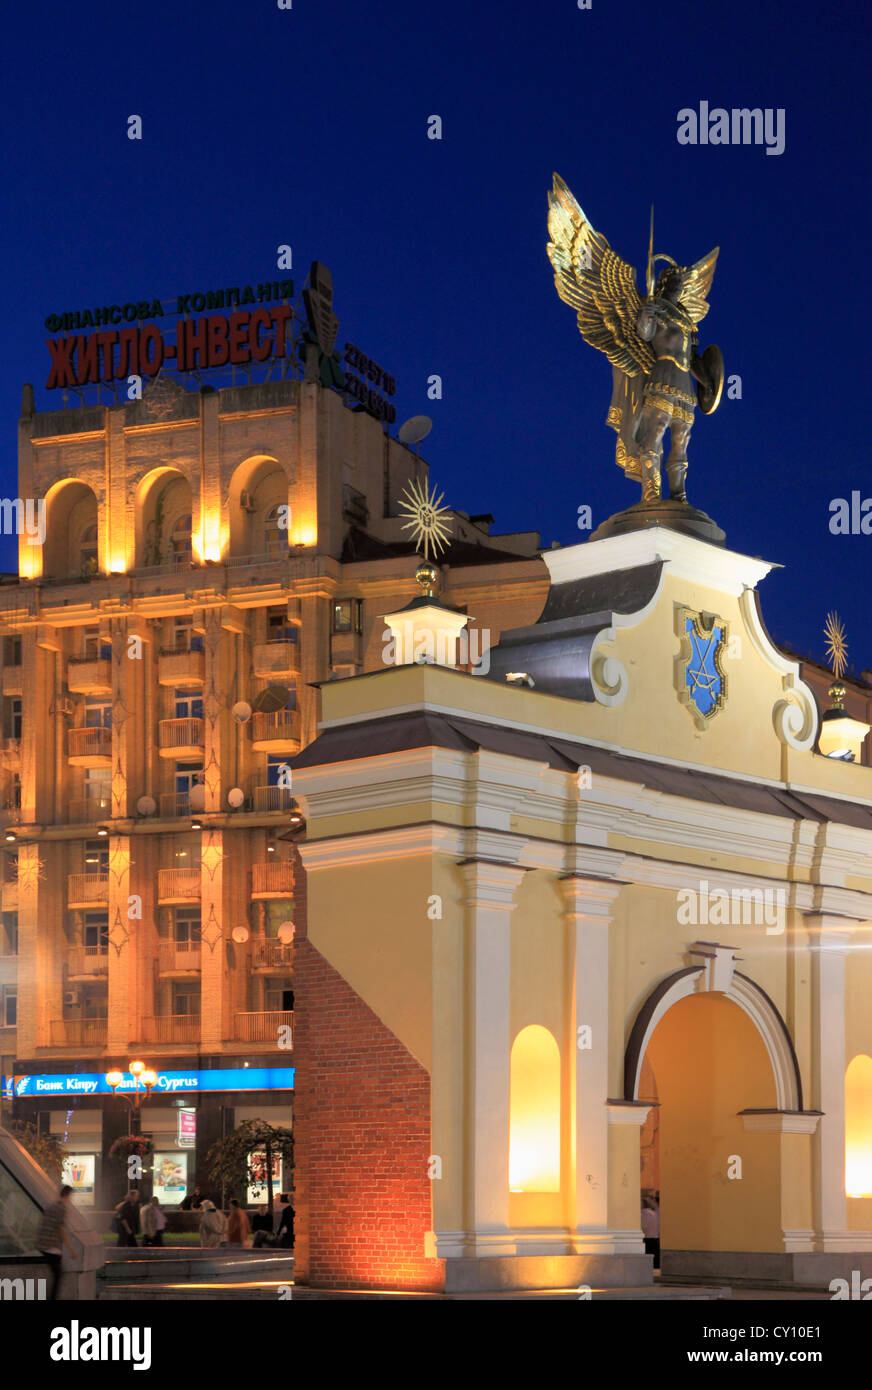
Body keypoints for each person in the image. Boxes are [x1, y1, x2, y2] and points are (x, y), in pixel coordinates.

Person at [36, 1184, 76, 1300]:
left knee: (57, 1273)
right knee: (58, 1274)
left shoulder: (51, 1206)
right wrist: (71, 1250)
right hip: (51, 1247)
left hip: (43, 1244)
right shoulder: (61, 1208)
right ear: (68, 1196)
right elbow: (61, 1230)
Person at [641, 1193, 660, 1270]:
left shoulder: (643, 1213)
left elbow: (643, 1227)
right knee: (655, 1264)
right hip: (656, 1240)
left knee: (648, 1265)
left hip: (647, 1240)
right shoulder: (655, 1213)